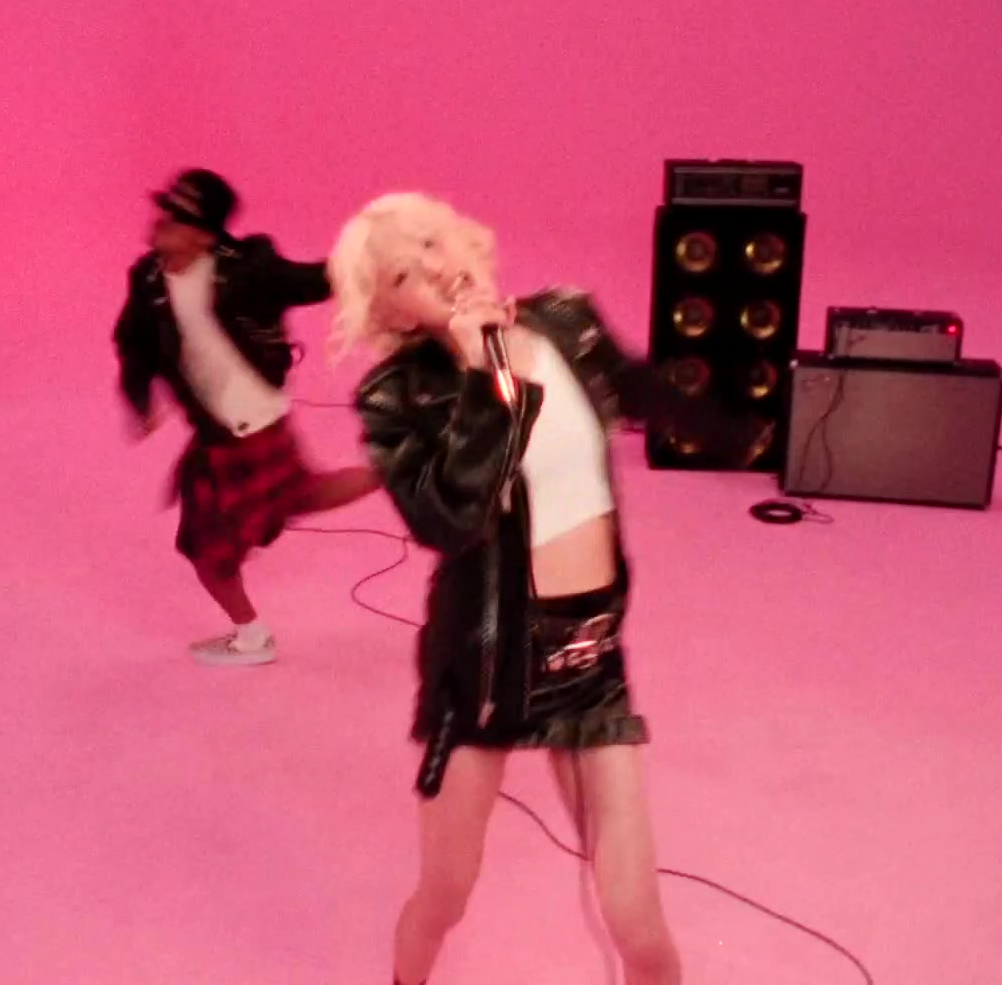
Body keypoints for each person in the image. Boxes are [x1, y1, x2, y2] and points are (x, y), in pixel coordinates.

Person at [327, 193, 772, 984]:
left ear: (466, 239)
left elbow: (640, 388)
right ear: (390, 311)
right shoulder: (398, 396)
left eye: (433, 243)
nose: (435, 267)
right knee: (445, 895)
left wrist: (744, 430)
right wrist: (482, 375)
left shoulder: (567, 320)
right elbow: (446, 521)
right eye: (402, 273)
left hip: (592, 657)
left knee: (637, 917)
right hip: (484, 670)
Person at [113, 169, 380, 666]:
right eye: (165, 211)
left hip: (247, 427)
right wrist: (140, 397)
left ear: (204, 235)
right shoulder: (148, 280)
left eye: (177, 219)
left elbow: (313, 281)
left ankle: (253, 639)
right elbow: (134, 345)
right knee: (299, 493)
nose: (162, 223)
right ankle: (399, 469)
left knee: (208, 551)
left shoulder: (248, 269)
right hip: (224, 428)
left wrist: (369, 257)